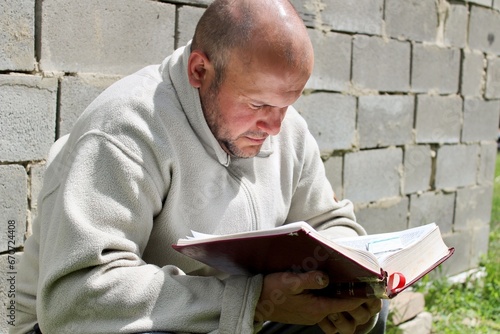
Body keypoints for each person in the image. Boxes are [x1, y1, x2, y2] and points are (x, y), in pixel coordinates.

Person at [12, 0, 385, 333]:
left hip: (229, 316)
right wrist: (248, 301)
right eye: (257, 105)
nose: (274, 128)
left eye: (286, 104)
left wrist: (345, 283)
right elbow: (77, 299)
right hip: (91, 325)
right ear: (199, 71)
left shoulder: (285, 129)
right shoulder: (125, 129)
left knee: (354, 318)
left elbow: (329, 221)